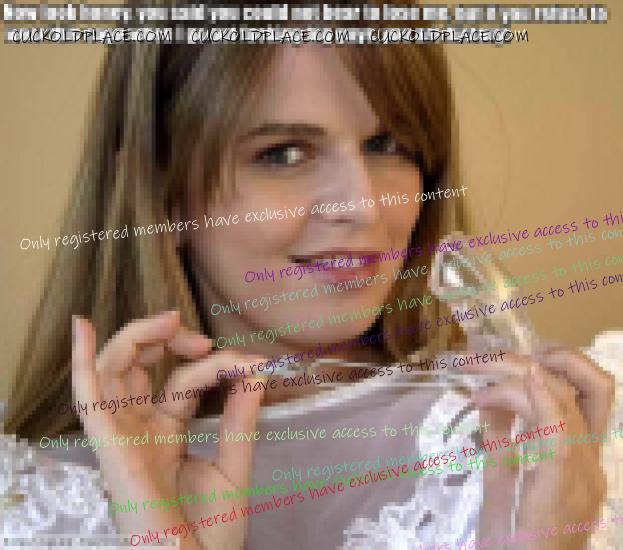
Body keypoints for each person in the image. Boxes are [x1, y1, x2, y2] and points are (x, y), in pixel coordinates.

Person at [2, 2, 619, 548]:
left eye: (388, 145)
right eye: (284, 154)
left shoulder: (572, 441)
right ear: (161, 191)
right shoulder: (29, 501)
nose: (364, 205)